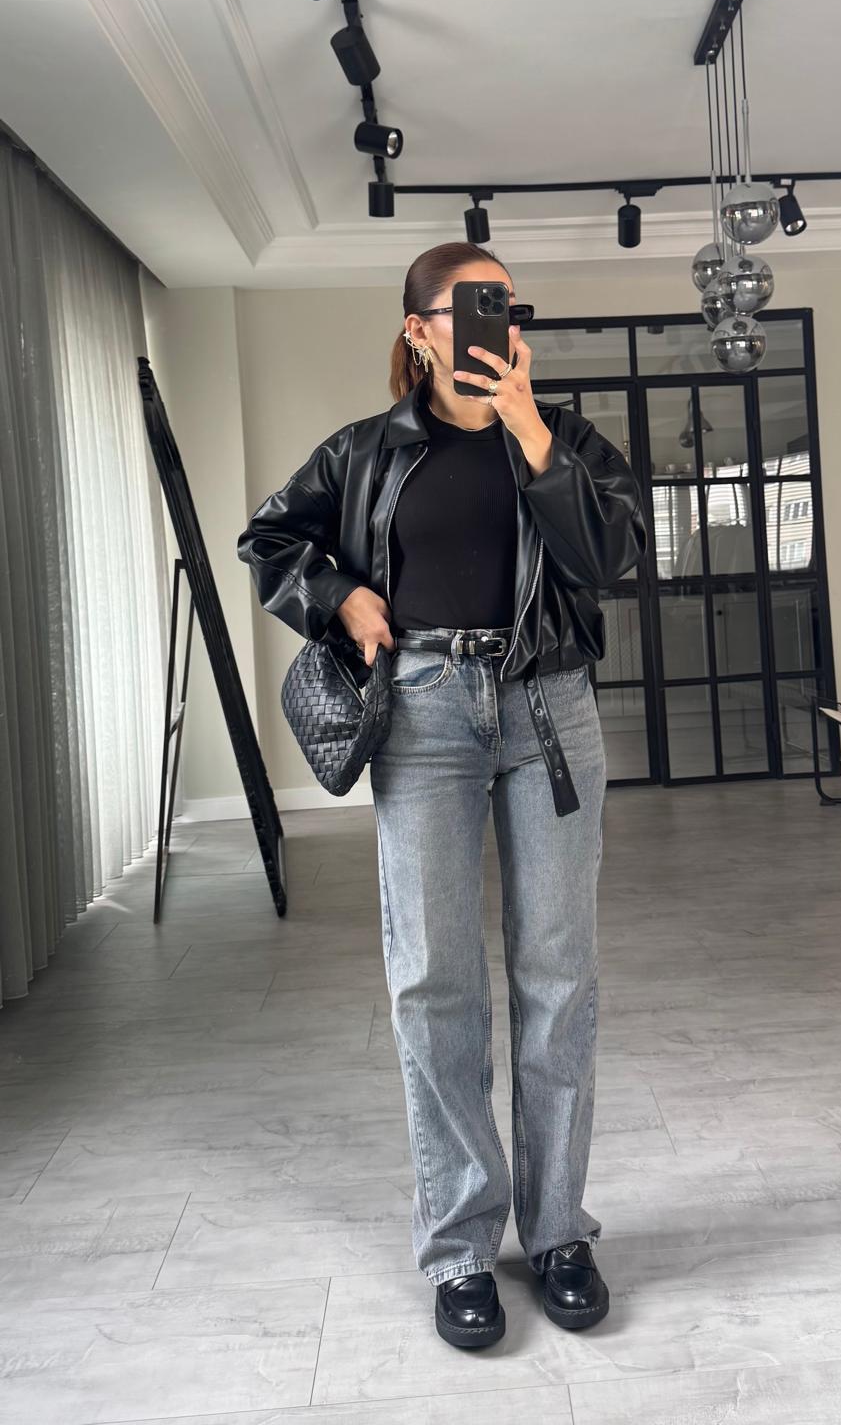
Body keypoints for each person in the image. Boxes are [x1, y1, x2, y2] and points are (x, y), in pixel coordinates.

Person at [236, 241, 648, 1349]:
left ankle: (557, 1232)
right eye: (470, 306)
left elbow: (609, 556)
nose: (493, 323)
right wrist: (339, 596)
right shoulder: (364, 451)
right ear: (419, 329)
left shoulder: (563, 440)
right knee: (433, 980)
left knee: (559, 974)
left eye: (505, 306)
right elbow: (269, 535)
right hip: (421, 713)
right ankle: (462, 1244)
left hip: (549, 708)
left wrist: (529, 429)